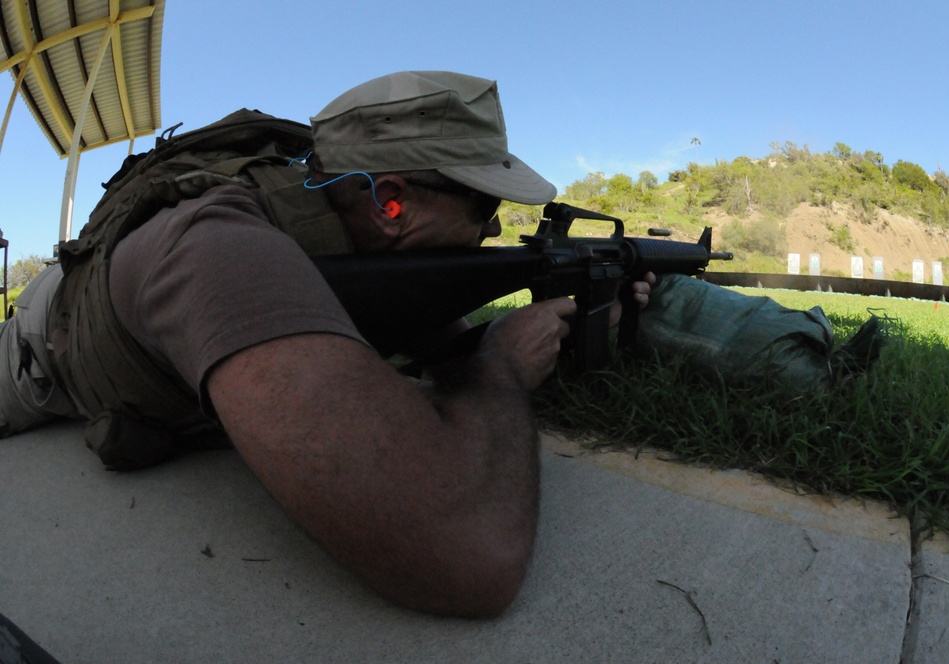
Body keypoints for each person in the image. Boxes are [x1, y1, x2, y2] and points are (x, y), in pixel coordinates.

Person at [0, 71, 653, 617]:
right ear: (391, 203)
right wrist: (502, 366)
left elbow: (438, 349)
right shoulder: (221, 252)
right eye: (485, 208)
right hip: (42, 339)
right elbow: (468, 557)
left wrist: (577, 318)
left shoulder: (349, 239)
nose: (492, 230)